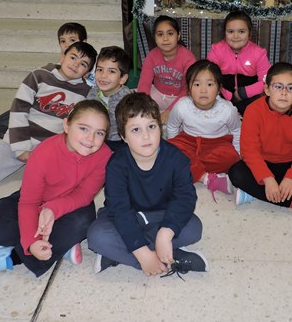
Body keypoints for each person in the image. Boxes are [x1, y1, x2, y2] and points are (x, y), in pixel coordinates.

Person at [0, 100, 113, 277]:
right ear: (66, 125)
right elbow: (28, 202)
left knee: (84, 222)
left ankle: (14, 257)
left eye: (99, 133)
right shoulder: (43, 152)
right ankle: (60, 244)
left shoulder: (104, 155)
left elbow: (83, 196)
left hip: (71, 205)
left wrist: (52, 209)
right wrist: (31, 241)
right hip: (35, 201)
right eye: (83, 128)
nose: (90, 138)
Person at [88, 93, 208, 277]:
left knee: (194, 228)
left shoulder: (177, 159)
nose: (146, 136)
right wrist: (143, 254)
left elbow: (185, 198)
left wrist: (166, 232)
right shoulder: (116, 164)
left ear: (160, 128)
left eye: (151, 126)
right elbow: (119, 210)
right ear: (123, 137)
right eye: (135, 130)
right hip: (127, 217)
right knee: (96, 235)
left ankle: (117, 255)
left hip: (162, 216)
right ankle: (169, 257)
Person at [0, 41, 96, 188]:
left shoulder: (85, 93)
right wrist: (21, 148)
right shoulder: (39, 76)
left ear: (87, 73)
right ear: (62, 57)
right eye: (73, 57)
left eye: (83, 64)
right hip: (19, 139)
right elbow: (18, 110)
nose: (76, 64)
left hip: (48, 149)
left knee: (55, 186)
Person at [228, 62, 292, 214]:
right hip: (262, 162)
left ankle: (254, 194)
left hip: (291, 163)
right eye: (278, 87)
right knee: (236, 174)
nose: (284, 93)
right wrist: (267, 179)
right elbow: (249, 150)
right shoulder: (253, 110)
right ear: (267, 89)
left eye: (290, 88)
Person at [0, 22, 90, 139]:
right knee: (24, 110)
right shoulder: (55, 68)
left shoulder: (87, 63)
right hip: (46, 107)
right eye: (62, 41)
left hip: (64, 108)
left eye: (72, 40)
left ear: (84, 42)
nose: (67, 44)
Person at [166, 60, 241, 200]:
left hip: (217, 144)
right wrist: (172, 148)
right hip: (187, 141)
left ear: (219, 89)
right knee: (166, 149)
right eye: (197, 84)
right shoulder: (182, 106)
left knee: (231, 158)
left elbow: (237, 130)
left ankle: (186, 168)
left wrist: (238, 153)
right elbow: (172, 126)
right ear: (189, 89)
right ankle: (206, 178)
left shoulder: (227, 109)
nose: (203, 90)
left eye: (210, 84)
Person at [207, 10, 271, 115]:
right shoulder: (216, 51)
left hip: (250, 95)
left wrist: (243, 92)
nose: (236, 36)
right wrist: (228, 95)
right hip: (222, 94)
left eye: (241, 31)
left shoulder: (259, 53)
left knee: (261, 108)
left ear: (250, 33)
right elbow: (209, 78)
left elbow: (267, 80)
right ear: (224, 33)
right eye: (230, 31)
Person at [137, 16, 196, 124]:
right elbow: (144, 84)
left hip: (181, 98)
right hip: (158, 95)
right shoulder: (152, 56)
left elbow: (187, 89)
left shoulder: (188, 58)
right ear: (155, 37)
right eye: (160, 34)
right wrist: (147, 107)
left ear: (178, 35)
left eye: (170, 33)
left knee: (192, 106)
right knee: (136, 100)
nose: (165, 39)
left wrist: (170, 111)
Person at [87, 46, 133, 151]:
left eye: (111, 71)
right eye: (100, 70)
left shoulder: (127, 98)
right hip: (96, 137)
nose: (103, 75)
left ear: (122, 79)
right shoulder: (92, 93)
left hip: (120, 141)